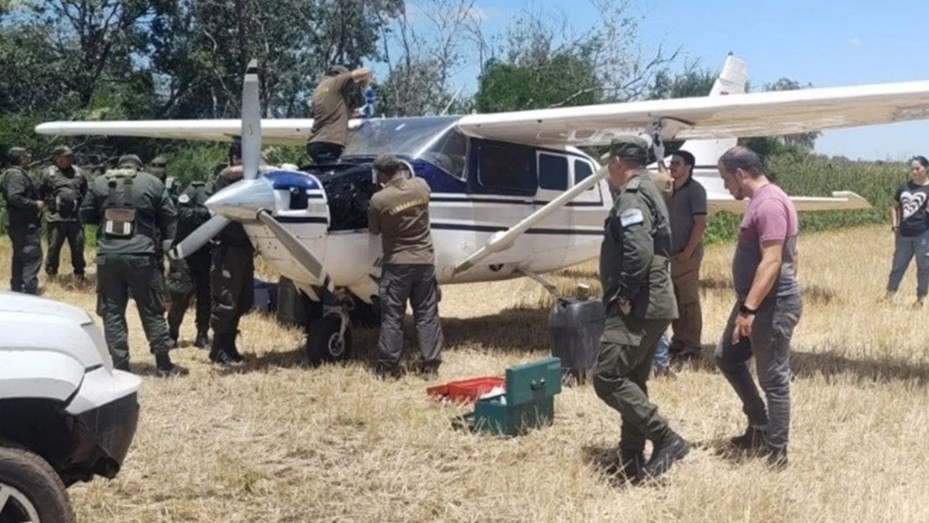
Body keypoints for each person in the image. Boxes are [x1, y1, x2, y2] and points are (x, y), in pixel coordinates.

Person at [593, 136, 689, 483]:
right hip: (655, 302)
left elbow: (638, 251)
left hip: (641, 304)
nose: (608, 168)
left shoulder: (632, 195)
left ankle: (666, 437)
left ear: (618, 161)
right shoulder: (648, 188)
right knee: (632, 379)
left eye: (609, 161)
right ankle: (631, 459)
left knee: (606, 377)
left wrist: (625, 293)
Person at [714, 145, 802, 469]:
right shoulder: (759, 201)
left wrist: (749, 310)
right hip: (754, 300)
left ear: (740, 174)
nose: (726, 186)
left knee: (774, 379)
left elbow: (773, 260)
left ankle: (776, 452)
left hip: (768, 305)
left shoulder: (769, 203)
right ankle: (759, 425)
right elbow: (794, 256)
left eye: (726, 179)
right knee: (727, 357)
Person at [80, 154, 186, 376]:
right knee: (151, 308)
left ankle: (120, 365)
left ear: (119, 165)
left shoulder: (99, 182)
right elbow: (169, 216)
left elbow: (86, 215)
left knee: (112, 310)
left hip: (108, 255)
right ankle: (163, 364)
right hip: (142, 255)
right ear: (140, 167)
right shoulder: (152, 182)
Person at [368, 154, 444, 378]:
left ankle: (389, 367)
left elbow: (374, 229)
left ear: (381, 174)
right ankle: (431, 365)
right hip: (424, 262)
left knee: (393, 316)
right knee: (427, 314)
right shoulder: (421, 186)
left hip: (397, 265)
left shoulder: (379, 199)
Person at [208, 140, 254, 367]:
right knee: (227, 302)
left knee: (244, 301)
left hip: (245, 249)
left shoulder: (251, 181)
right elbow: (229, 174)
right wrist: (261, 169)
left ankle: (229, 345)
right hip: (229, 250)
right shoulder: (224, 179)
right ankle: (218, 349)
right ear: (235, 158)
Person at [666, 150, 707, 362]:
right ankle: (678, 342)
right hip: (670, 255)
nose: (672, 166)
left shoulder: (696, 190)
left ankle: (692, 347)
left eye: (677, 163)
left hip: (686, 256)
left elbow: (700, 224)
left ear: (688, 167)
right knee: (674, 301)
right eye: (671, 162)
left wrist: (688, 252)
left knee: (689, 303)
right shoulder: (669, 189)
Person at [166, 178, 213, 349]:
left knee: (206, 296)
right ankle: (172, 333)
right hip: (185, 251)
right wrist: (208, 214)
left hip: (207, 252)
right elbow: (182, 213)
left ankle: (202, 334)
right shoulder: (195, 189)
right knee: (181, 293)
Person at [882, 155, 929, 308]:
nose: (914, 172)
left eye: (918, 168)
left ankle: (920, 299)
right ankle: (889, 296)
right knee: (898, 266)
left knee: (924, 267)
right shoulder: (904, 186)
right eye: (912, 169)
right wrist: (895, 226)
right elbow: (894, 206)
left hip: (924, 234)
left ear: (926, 169)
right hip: (903, 235)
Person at [305, 64, 372, 165]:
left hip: (317, 142)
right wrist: (365, 86)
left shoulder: (319, 89)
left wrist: (360, 112)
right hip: (329, 143)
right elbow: (366, 71)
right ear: (337, 74)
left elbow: (335, 114)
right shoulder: (335, 81)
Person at [40, 145, 88, 281]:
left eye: (70, 156)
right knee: (53, 247)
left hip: (75, 218)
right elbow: (40, 192)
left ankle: (79, 275)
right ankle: (51, 275)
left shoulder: (79, 172)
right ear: (57, 158)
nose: (69, 159)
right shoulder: (48, 173)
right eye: (66, 156)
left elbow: (86, 192)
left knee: (78, 247)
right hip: (56, 217)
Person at [1, 147, 43, 294]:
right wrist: (35, 204)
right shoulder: (16, 176)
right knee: (32, 255)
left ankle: (17, 288)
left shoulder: (13, 173)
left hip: (18, 222)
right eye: (26, 156)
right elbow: (14, 197)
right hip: (23, 224)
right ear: (21, 159)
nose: (29, 158)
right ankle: (29, 290)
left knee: (20, 255)